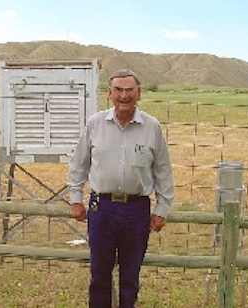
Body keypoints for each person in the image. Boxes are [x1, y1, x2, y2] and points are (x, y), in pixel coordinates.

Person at [67, 69, 174, 307]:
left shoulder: (152, 127)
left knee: (130, 275)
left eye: (129, 90)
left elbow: (163, 171)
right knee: (99, 274)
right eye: (118, 90)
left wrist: (162, 209)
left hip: (136, 210)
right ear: (110, 93)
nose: (124, 95)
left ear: (139, 93)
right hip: (101, 208)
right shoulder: (95, 123)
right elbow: (78, 164)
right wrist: (76, 199)